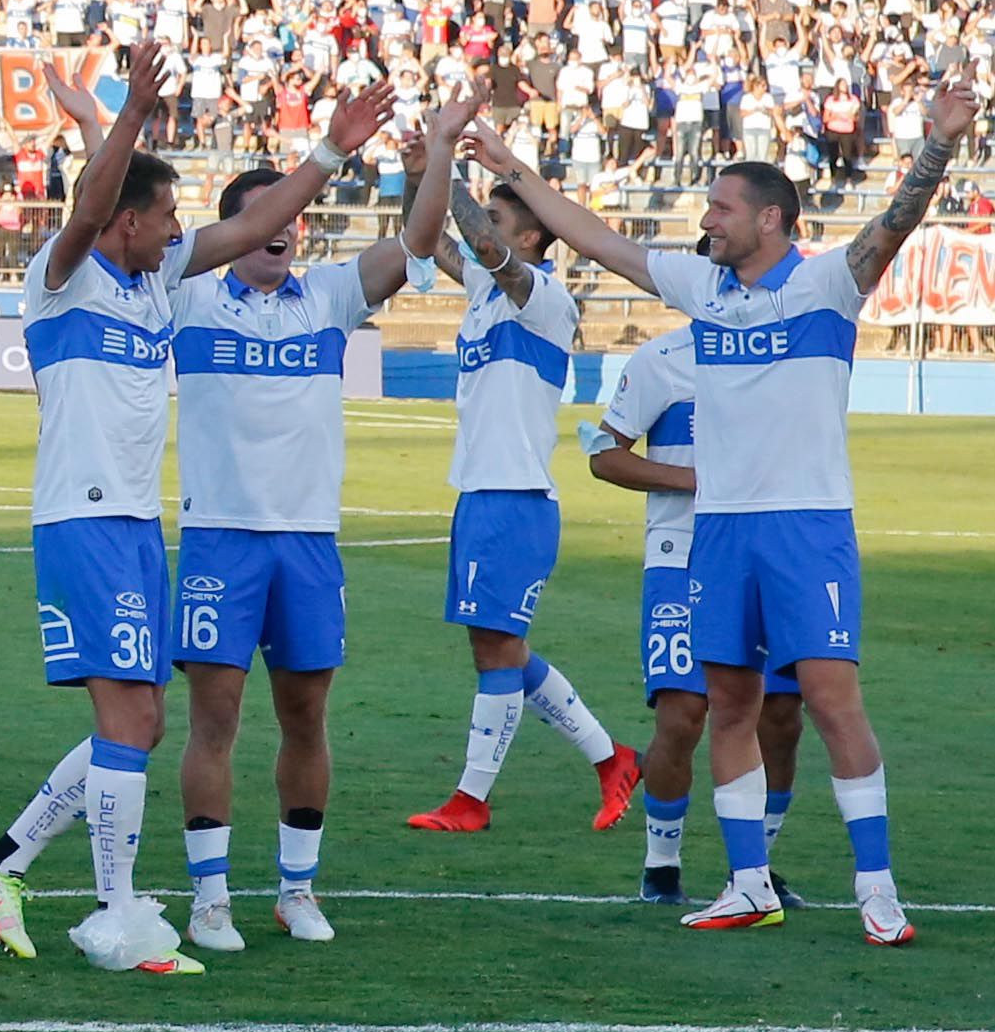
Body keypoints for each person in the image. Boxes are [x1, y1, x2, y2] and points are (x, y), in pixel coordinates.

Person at [473, 83, 976, 943]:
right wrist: (511, 165)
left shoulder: (826, 285)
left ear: (770, 220)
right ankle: (747, 883)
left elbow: (892, 222)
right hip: (720, 531)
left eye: (720, 207)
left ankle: (877, 890)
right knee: (730, 705)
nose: (705, 219)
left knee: (830, 700)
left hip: (805, 524)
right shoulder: (703, 291)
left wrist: (935, 146)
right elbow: (598, 237)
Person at [0, 39, 389, 978]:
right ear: (124, 225)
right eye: (163, 217)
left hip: (135, 527)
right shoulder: (62, 275)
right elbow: (86, 205)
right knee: (128, 725)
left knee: (142, 723)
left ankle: (0, 866)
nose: (179, 231)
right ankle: (120, 918)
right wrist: (124, 117)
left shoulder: (155, 282)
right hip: (82, 517)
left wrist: (329, 152)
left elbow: (254, 222)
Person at [163, 85, 463, 954]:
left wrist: (436, 149)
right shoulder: (188, 299)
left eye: (288, 218)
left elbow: (418, 242)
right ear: (228, 236)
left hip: (306, 542)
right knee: (213, 722)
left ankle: (296, 889)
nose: (282, 230)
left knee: (306, 717)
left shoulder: (329, 296)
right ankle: (208, 898)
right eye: (260, 220)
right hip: (219, 537)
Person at [399, 128, 643, 837]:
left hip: (514, 497)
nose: (486, 229)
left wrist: (446, 164)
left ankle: (471, 799)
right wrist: (416, 173)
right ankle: (610, 758)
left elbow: (473, 240)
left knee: (494, 650)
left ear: (533, 236)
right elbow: (430, 240)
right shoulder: (485, 290)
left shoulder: (542, 297)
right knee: (500, 648)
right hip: (482, 491)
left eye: (503, 220)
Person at [585, 322, 812, 902]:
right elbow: (604, 455)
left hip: (769, 556)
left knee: (782, 716)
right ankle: (661, 864)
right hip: (680, 555)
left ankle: (754, 868)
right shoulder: (662, 359)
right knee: (683, 713)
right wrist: (699, 480)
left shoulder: (785, 350)